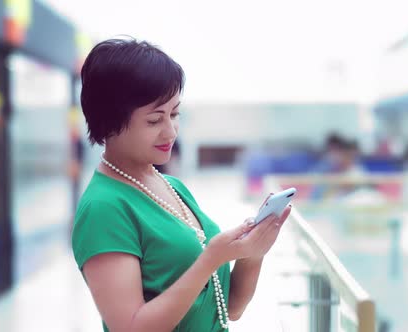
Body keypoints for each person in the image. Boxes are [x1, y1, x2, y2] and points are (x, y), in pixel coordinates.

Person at [71, 38, 292, 332]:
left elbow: (230, 308)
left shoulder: (172, 186)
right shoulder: (104, 208)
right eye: (154, 120)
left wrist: (253, 253)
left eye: (174, 114)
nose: (171, 131)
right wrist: (212, 258)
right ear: (109, 122)